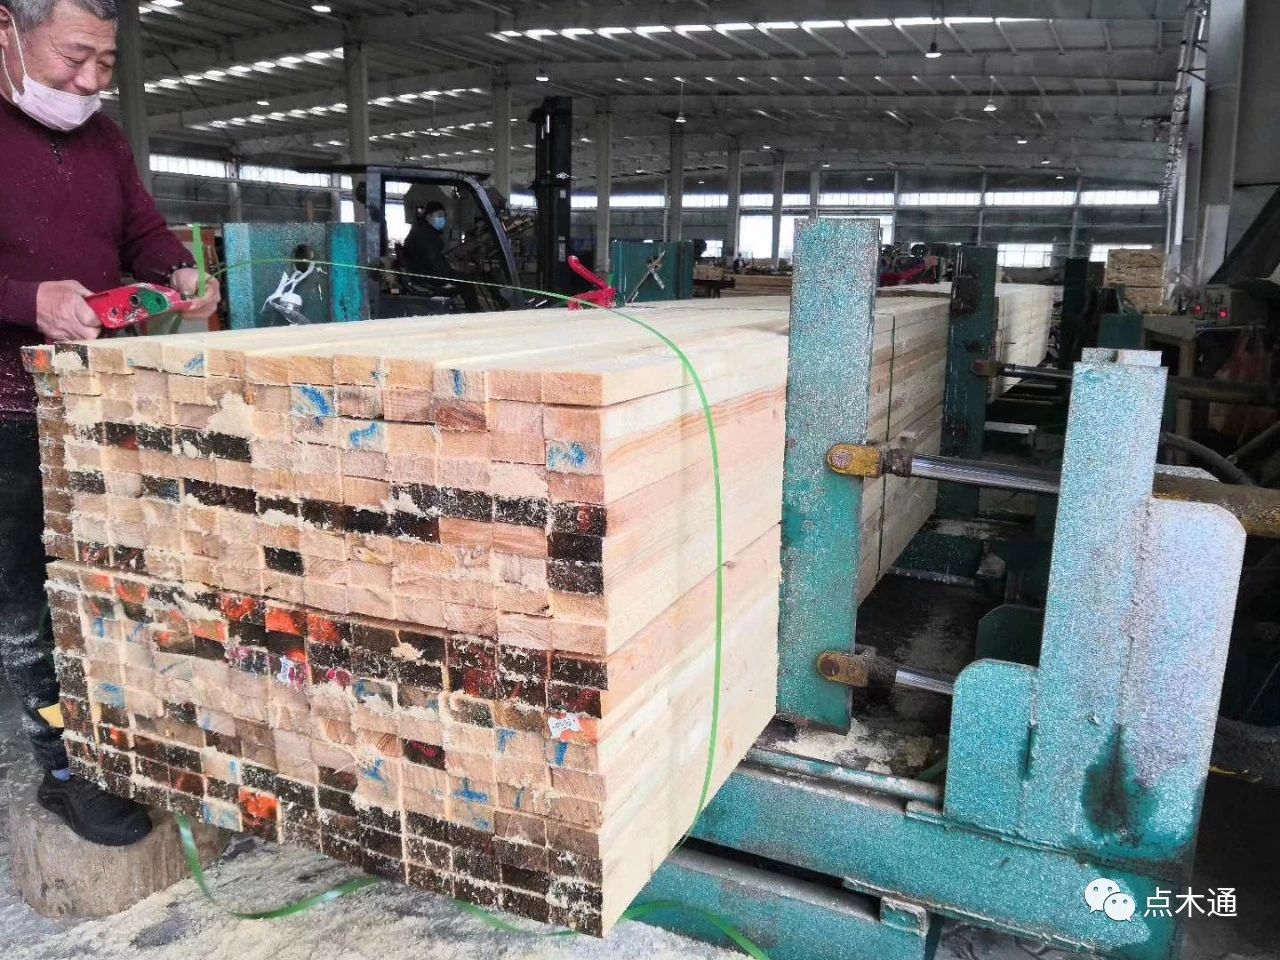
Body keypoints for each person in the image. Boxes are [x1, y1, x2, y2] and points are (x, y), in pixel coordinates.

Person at [0, 0, 220, 845]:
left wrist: (179, 272)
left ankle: (135, 735)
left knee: (117, 574)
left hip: (94, 398)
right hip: (5, 408)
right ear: (8, 30)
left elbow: (144, 233)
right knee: (30, 595)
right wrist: (25, 300)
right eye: (74, 56)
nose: (92, 80)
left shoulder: (103, 138)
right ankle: (64, 768)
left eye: (106, 61)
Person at [402, 201, 480, 311]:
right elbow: (434, 261)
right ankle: (475, 314)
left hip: (421, 272)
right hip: (427, 276)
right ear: (429, 216)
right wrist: (445, 279)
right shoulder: (426, 234)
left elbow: (433, 258)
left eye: (444, 216)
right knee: (467, 282)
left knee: (460, 277)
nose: (442, 219)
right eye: (439, 215)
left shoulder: (421, 229)